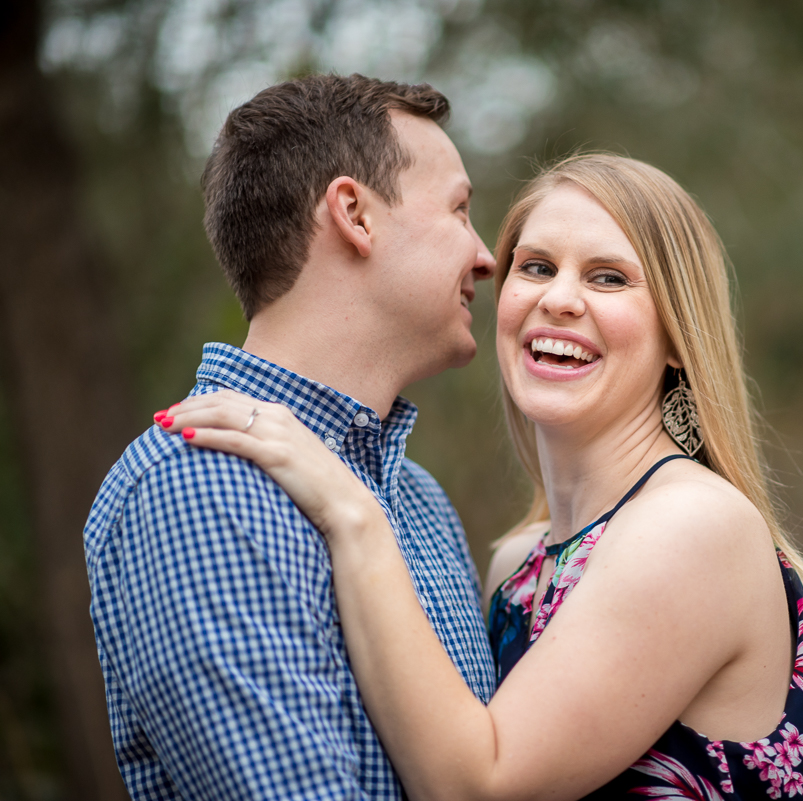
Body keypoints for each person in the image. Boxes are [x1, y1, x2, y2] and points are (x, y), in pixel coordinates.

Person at [163, 153, 803, 800]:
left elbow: (480, 781)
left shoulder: (694, 525)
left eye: (608, 277)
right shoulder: (515, 564)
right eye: (536, 266)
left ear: (678, 334)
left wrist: (350, 508)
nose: (558, 298)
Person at [84, 74, 498, 798]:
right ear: (354, 214)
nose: (486, 255)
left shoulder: (421, 503)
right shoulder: (200, 487)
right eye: (460, 211)